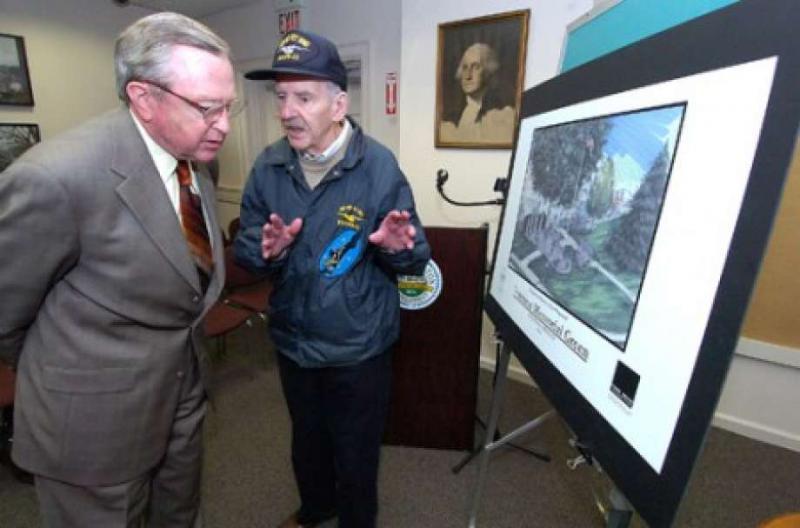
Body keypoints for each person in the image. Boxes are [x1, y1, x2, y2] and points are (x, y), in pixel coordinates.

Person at [0, 12, 237, 527]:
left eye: (228, 106)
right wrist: (79, 373)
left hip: (182, 398)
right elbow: (5, 317)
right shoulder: (55, 179)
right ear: (144, 98)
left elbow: (187, 285)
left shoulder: (199, 159)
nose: (224, 125)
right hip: (91, 432)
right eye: (207, 107)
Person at [236, 30, 430, 528]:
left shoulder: (378, 166)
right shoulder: (269, 165)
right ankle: (316, 509)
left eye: (304, 97)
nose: (287, 111)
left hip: (357, 347)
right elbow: (248, 252)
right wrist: (265, 251)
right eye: (281, 97)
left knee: (357, 453)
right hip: (295, 341)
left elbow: (415, 257)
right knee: (307, 440)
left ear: (339, 104)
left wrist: (397, 249)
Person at [439, 42, 516, 144]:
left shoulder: (504, 113)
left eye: (475, 67)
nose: (468, 76)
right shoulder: (449, 116)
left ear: (489, 71)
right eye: (465, 67)